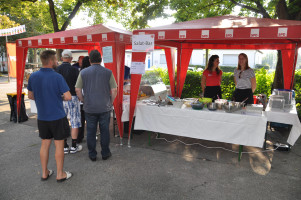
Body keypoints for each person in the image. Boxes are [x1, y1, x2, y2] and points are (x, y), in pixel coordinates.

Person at [27, 50, 72, 182]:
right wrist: (59, 97)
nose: (57, 62)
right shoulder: (57, 77)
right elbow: (68, 96)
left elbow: (30, 95)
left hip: (42, 117)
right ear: (51, 61)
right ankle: (60, 174)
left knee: (45, 144)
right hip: (57, 116)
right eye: (56, 60)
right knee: (59, 145)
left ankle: (44, 172)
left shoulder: (33, 76)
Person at [75, 50, 117, 162]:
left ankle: (92, 154)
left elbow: (77, 89)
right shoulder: (108, 72)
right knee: (105, 131)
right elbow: (114, 89)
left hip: (89, 107)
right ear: (101, 59)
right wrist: (111, 101)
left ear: (89, 60)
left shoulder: (83, 72)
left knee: (91, 131)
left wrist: (83, 100)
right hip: (105, 107)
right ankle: (105, 153)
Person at [56, 50, 82, 154]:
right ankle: (74, 146)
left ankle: (65, 146)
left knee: (63, 122)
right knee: (74, 122)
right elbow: (78, 88)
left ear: (62, 58)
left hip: (60, 99)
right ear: (71, 59)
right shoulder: (75, 70)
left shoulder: (56, 70)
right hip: (73, 97)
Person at [77, 56, 91, 144]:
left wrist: (81, 99)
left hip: (81, 99)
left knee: (81, 120)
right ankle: (91, 137)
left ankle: (79, 137)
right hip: (89, 99)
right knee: (90, 121)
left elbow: (78, 87)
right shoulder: (90, 72)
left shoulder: (79, 71)